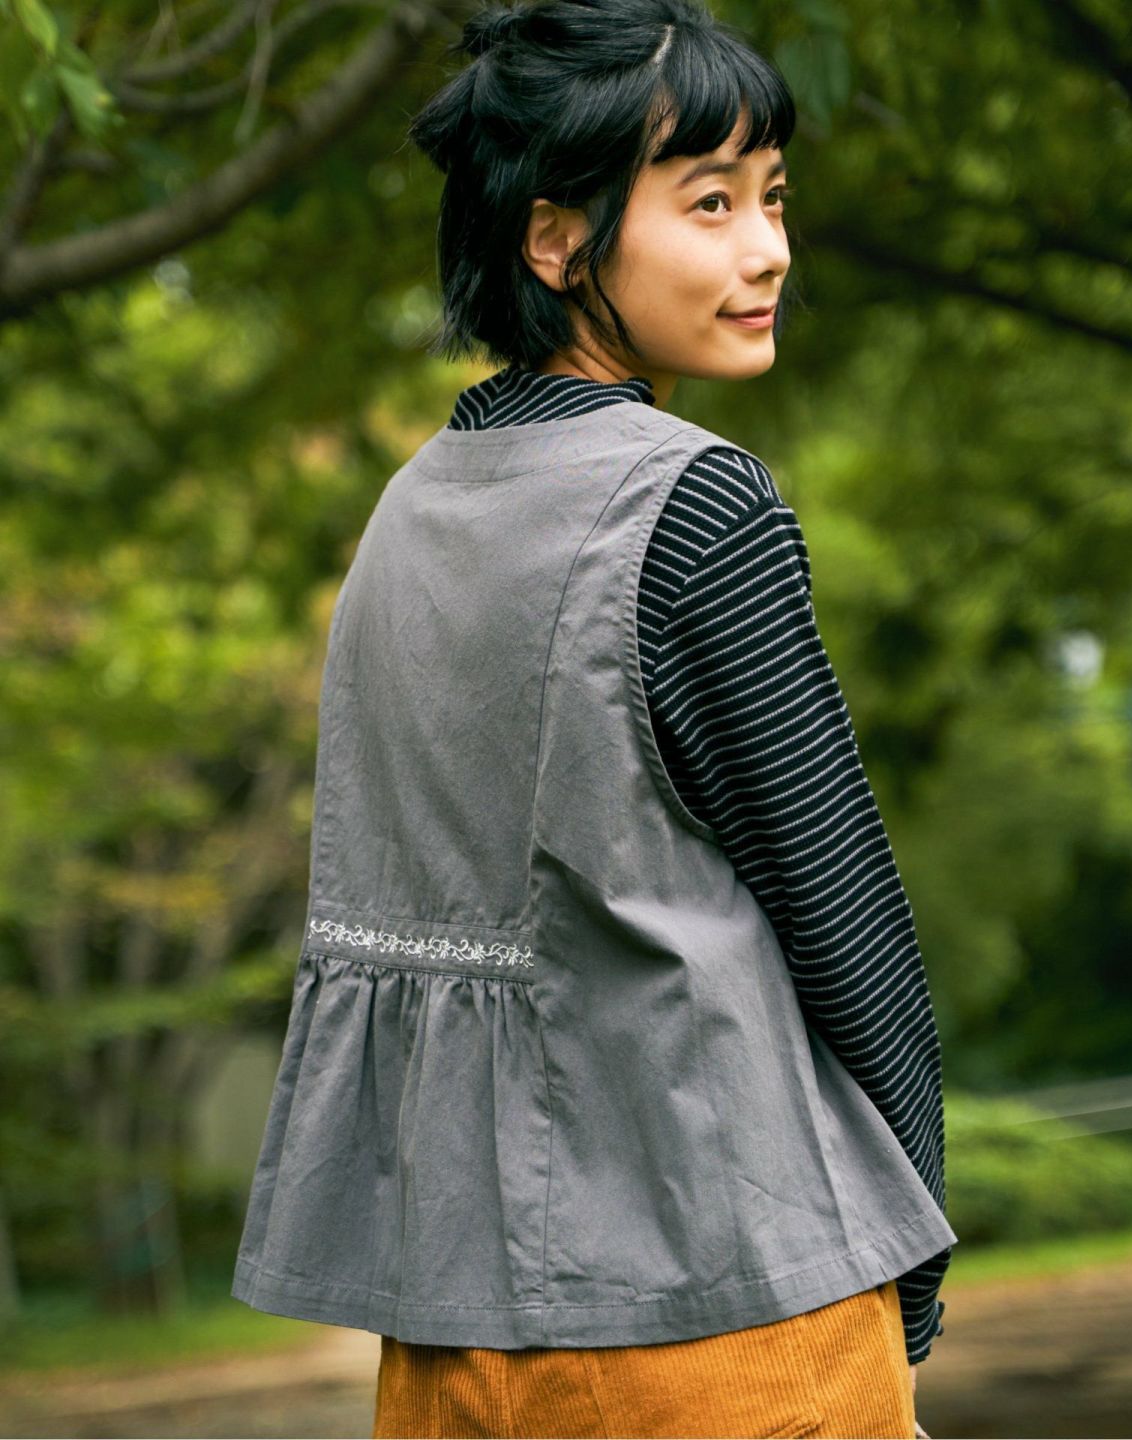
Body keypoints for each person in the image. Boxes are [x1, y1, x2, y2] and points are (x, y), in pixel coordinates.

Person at [230, 1, 958, 1436]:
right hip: (733, 1315)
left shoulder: (407, 511)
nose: (770, 249)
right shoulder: (696, 507)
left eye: (773, 198)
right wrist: (915, 1255)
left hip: (451, 1345)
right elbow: (846, 921)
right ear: (557, 241)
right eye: (710, 203)